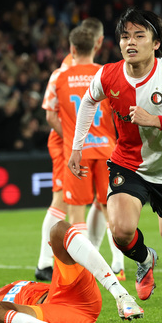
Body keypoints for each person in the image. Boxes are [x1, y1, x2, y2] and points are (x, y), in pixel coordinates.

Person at [68, 7, 162, 323]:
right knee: (120, 231)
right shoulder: (108, 75)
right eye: (125, 36)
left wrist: (154, 119)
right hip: (128, 163)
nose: (130, 42)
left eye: (139, 35)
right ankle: (144, 260)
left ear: (156, 43)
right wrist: (77, 146)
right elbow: (89, 101)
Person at [0, 221, 143, 323]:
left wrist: (62, 253)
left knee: (59, 230)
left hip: (75, 296)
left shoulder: (11, 285)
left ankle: (122, 296)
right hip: (57, 314)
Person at [36, 18, 126, 282]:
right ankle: (119, 263)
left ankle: (82, 270)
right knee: (110, 207)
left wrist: (73, 141)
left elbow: (51, 115)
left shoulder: (60, 75)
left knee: (73, 210)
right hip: (107, 149)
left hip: (78, 152)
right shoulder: (107, 72)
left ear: (72, 48)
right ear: (97, 45)